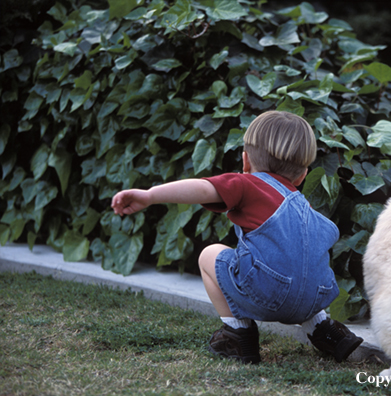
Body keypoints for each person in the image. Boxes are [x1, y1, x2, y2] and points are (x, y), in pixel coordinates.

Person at [111, 110, 363, 364]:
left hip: (268, 296)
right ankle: (326, 331)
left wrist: (150, 195)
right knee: (299, 268)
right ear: (302, 176)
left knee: (209, 255)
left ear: (245, 162)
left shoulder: (247, 184)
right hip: (314, 298)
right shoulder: (306, 210)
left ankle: (237, 334)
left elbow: (201, 188)